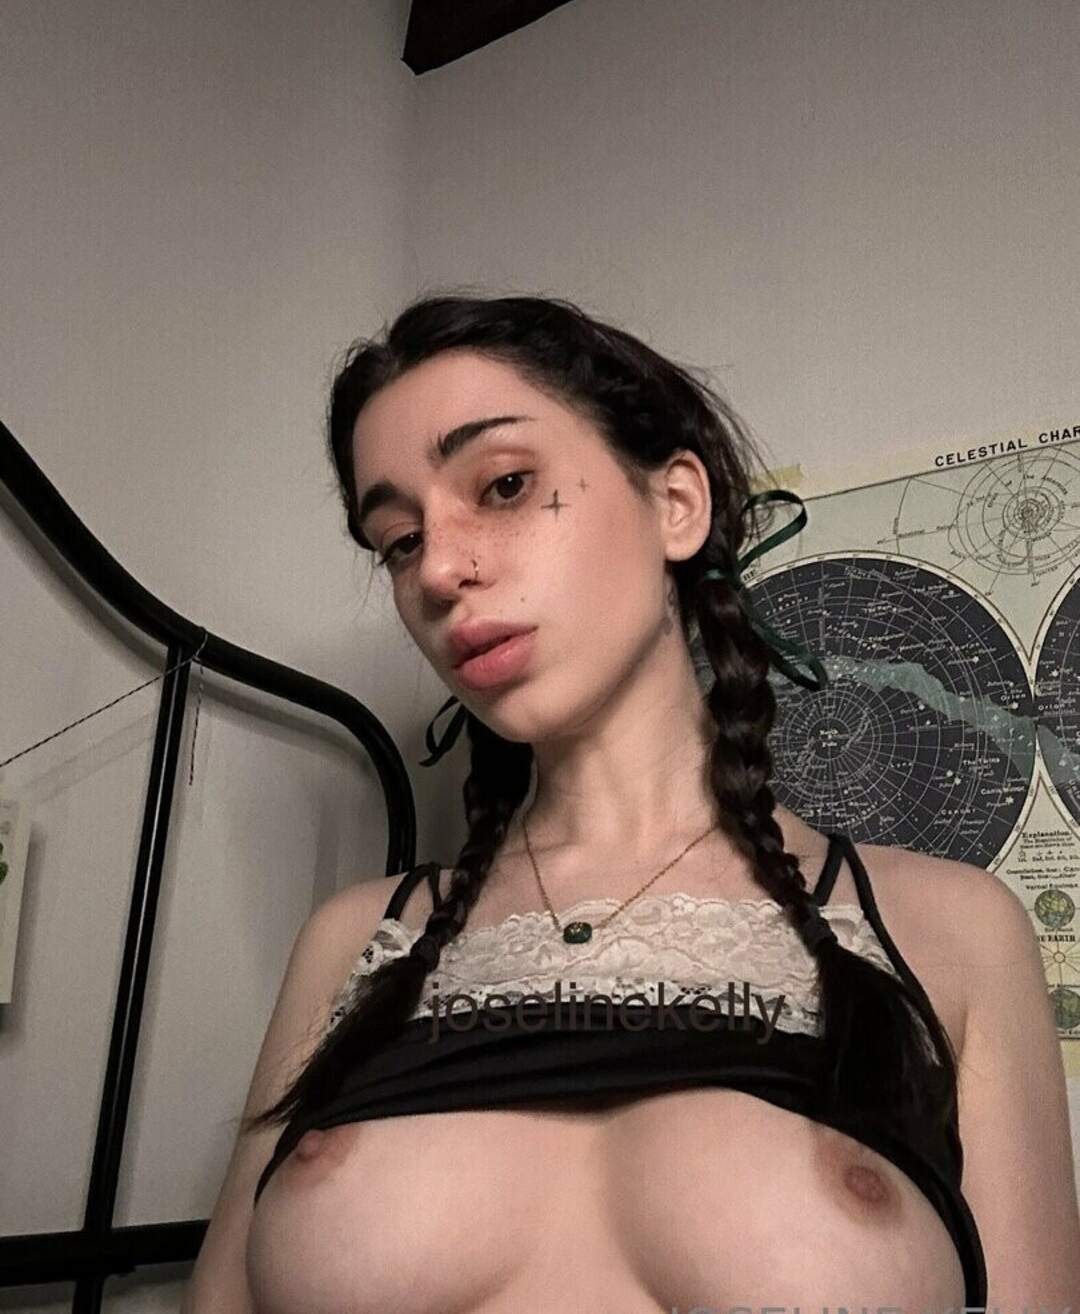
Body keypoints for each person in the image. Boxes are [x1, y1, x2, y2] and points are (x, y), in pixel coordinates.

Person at [183, 293, 1079, 1313]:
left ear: (676, 504)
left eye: (505, 485)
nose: (438, 568)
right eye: (397, 538)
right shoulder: (352, 944)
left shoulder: (953, 931)